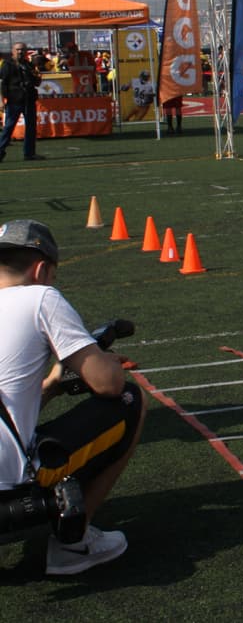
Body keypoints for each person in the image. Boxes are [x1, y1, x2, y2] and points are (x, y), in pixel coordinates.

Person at [0, 219, 146, 575]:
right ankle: (73, 545)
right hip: (6, 488)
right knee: (131, 400)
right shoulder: (40, 297)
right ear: (41, 269)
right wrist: (104, 362)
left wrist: (51, 385)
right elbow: (109, 385)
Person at [0, 43, 45, 162]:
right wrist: (1, 101)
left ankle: (29, 153)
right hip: (14, 100)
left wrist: (38, 75)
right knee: (9, 127)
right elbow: (1, 83)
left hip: (29, 99)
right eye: (18, 49)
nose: (20, 52)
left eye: (22, 50)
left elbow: (36, 82)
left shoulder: (28, 65)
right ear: (13, 51)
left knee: (31, 127)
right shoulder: (7, 65)